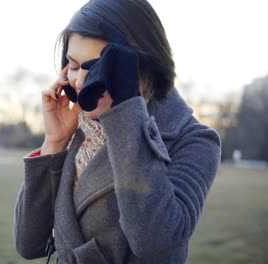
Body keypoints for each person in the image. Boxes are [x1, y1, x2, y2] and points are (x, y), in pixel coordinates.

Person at [13, 0, 222, 263]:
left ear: (140, 67)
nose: (78, 82)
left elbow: (155, 243)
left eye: (96, 68)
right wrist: (54, 142)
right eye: (73, 65)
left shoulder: (194, 141)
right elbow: (29, 244)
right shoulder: (77, 127)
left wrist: (124, 114)